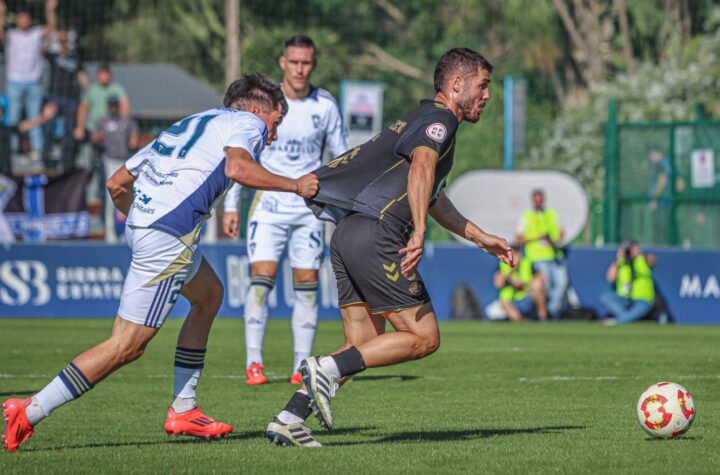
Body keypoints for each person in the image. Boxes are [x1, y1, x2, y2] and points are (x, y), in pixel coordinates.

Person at [2, 73, 319, 452]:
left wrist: (142, 217)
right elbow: (238, 169)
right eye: (275, 123)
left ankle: (185, 408)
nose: (274, 135)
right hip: (169, 236)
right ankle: (30, 409)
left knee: (209, 295)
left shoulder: (191, 124)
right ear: (255, 110)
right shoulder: (247, 123)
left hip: (145, 226)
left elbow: (117, 184)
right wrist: (296, 184)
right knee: (126, 346)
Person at [265, 47, 514, 447]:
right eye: (482, 86)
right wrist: (417, 232)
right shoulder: (440, 120)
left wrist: (479, 236)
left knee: (360, 347)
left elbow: (431, 194)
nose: (487, 95)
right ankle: (324, 368)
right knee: (424, 337)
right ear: (456, 85)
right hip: (378, 235)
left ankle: (290, 417)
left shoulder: (419, 116)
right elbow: (421, 169)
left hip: (349, 233)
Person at [222, 35, 348, 385]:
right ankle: (254, 363)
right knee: (260, 283)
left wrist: (342, 207)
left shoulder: (325, 105)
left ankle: (300, 365)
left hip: (307, 209)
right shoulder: (266, 103)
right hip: (269, 205)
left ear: (313, 64)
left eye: (306, 63)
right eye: (294, 62)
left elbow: (340, 157)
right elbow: (241, 155)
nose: (300, 69)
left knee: (306, 285)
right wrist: (231, 205)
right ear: (282, 62)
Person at [0, 0, 57, 166]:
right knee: (12, 119)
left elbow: (51, 27)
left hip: (34, 83)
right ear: (17, 20)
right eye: (21, 17)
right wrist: (2, 14)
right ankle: (9, 150)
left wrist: (50, 10)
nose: (24, 20)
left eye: (26, 17)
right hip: (14, 82)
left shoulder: (36, 33)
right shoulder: (11, 35)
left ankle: (37, 153)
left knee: (35, 118)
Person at [91, 95, 139, 242]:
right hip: (109, 161)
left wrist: (134, 140)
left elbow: (134, 141)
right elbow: (93, 139)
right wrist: (99, 136)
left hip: (125, 161)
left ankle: (131, 231)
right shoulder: (102, 122)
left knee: (132, 196)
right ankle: (109, 232)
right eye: (111, 105)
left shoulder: (127, 122)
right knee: (110, 197)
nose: (113, 107)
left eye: (115, 105)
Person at [515, 189, 568, 319]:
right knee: (546, 285)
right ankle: (544, 312)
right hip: (536, 258)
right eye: (536, 200)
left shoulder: (551, 214)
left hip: (553, 256)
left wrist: (554, 240)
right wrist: (537, 238)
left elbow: (561, 232)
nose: (538, 203)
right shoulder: (526, 216)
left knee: (562, 283)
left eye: (540, 200)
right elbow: (518, 238)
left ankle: (551, 311)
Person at [45, 28, 89, 169]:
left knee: (69, 131)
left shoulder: (75, 57)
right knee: (48, 126)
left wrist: (92, 91)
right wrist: (53, 39)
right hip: (54, 97)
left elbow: (82, 76)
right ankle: (46, 157)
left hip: (71, 98)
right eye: (61, 40)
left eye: (66, 39)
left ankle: (66, 162)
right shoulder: (53, 56)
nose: (64, 42)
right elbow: (43, 48)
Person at [600, 240, 656, 326]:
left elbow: (653, 260)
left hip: (642, 300)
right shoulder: (621, 262)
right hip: (624, 299)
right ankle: (627, 318)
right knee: (606, 297)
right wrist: (618, 259)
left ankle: (619, 321)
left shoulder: (642, 259)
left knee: (641, 309)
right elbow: (610, 278)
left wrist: (639, 254)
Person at [73, 64, 131, 142]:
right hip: (92, 129)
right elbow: (83, 108)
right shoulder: (92, 90)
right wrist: (80, 127)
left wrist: (122, 125)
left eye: (106, 73)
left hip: (111, 130)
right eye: (102, 74)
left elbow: (125, 105)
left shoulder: (117, 89)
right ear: (97, 75)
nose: (104, 76)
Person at [494, 246, 547, 321]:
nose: (512, 258)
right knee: (504, 303)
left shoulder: (527, 262)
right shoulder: (502, 265)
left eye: (514, 255)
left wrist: (524, 283)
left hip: (527, 296)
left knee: (537, 285)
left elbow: (542, 279)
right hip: (511, 300)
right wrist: (511, 270)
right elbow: (498, 284)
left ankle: (542, 316)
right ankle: (521, 323)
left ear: (519, 254)